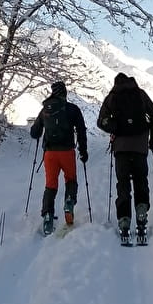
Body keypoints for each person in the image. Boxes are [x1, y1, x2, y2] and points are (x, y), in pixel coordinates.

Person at [97, 73, 153, 241]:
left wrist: (114, 128)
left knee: (123, 184)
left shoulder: (112, 97)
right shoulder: (140, 94)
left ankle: (124, 221)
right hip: (140, 147)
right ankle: (141, 214)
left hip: (121, 149)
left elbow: (100, 121)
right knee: (141, 181)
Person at [30, 81, 88, 235]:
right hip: (67, 152)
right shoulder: (72, 109)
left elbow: (34, 133)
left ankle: (48, 215)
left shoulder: (45, 110)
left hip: (50, 154)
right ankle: (69, 203)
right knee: (70, 179)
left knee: (51, 185)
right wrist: (83, 151)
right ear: (65, 93)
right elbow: (81, 130)